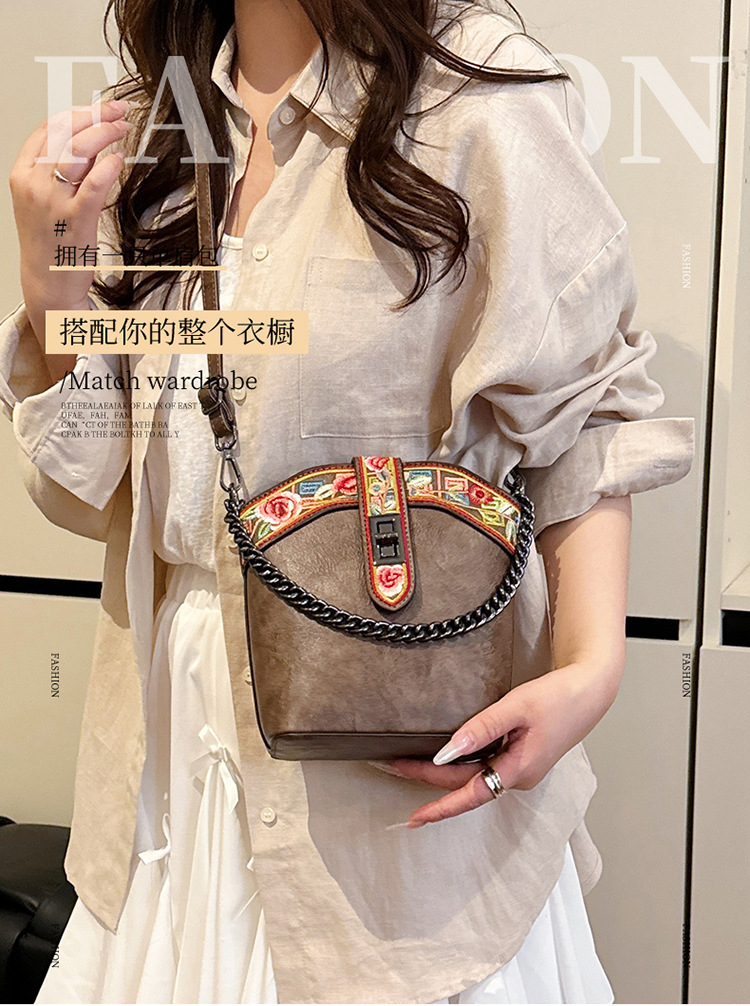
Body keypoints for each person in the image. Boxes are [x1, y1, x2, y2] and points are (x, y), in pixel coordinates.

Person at [0, 0, 695, 1002]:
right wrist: (52, 274)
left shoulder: (474, 94)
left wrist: (592, 667)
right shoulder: (156, 123)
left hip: (390, 802)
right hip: (169, 775)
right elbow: (95, 485)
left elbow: (583, 411)